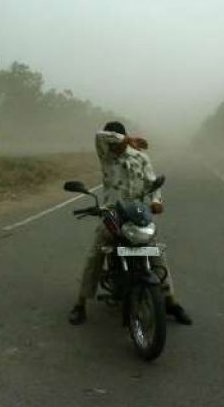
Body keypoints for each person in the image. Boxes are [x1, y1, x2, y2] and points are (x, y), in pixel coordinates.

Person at [68, 121, 192, 326]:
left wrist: (156, 201)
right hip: (111, 215)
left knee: (156, 253)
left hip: (137, 213)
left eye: (118, 141)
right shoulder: (106, 155)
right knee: (95, 256)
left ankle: (171, 301)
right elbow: (99, 136)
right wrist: (125, 139)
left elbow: (152, 183)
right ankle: (80, 304)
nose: (114, 146)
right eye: (113, 141)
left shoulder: (141, 157)